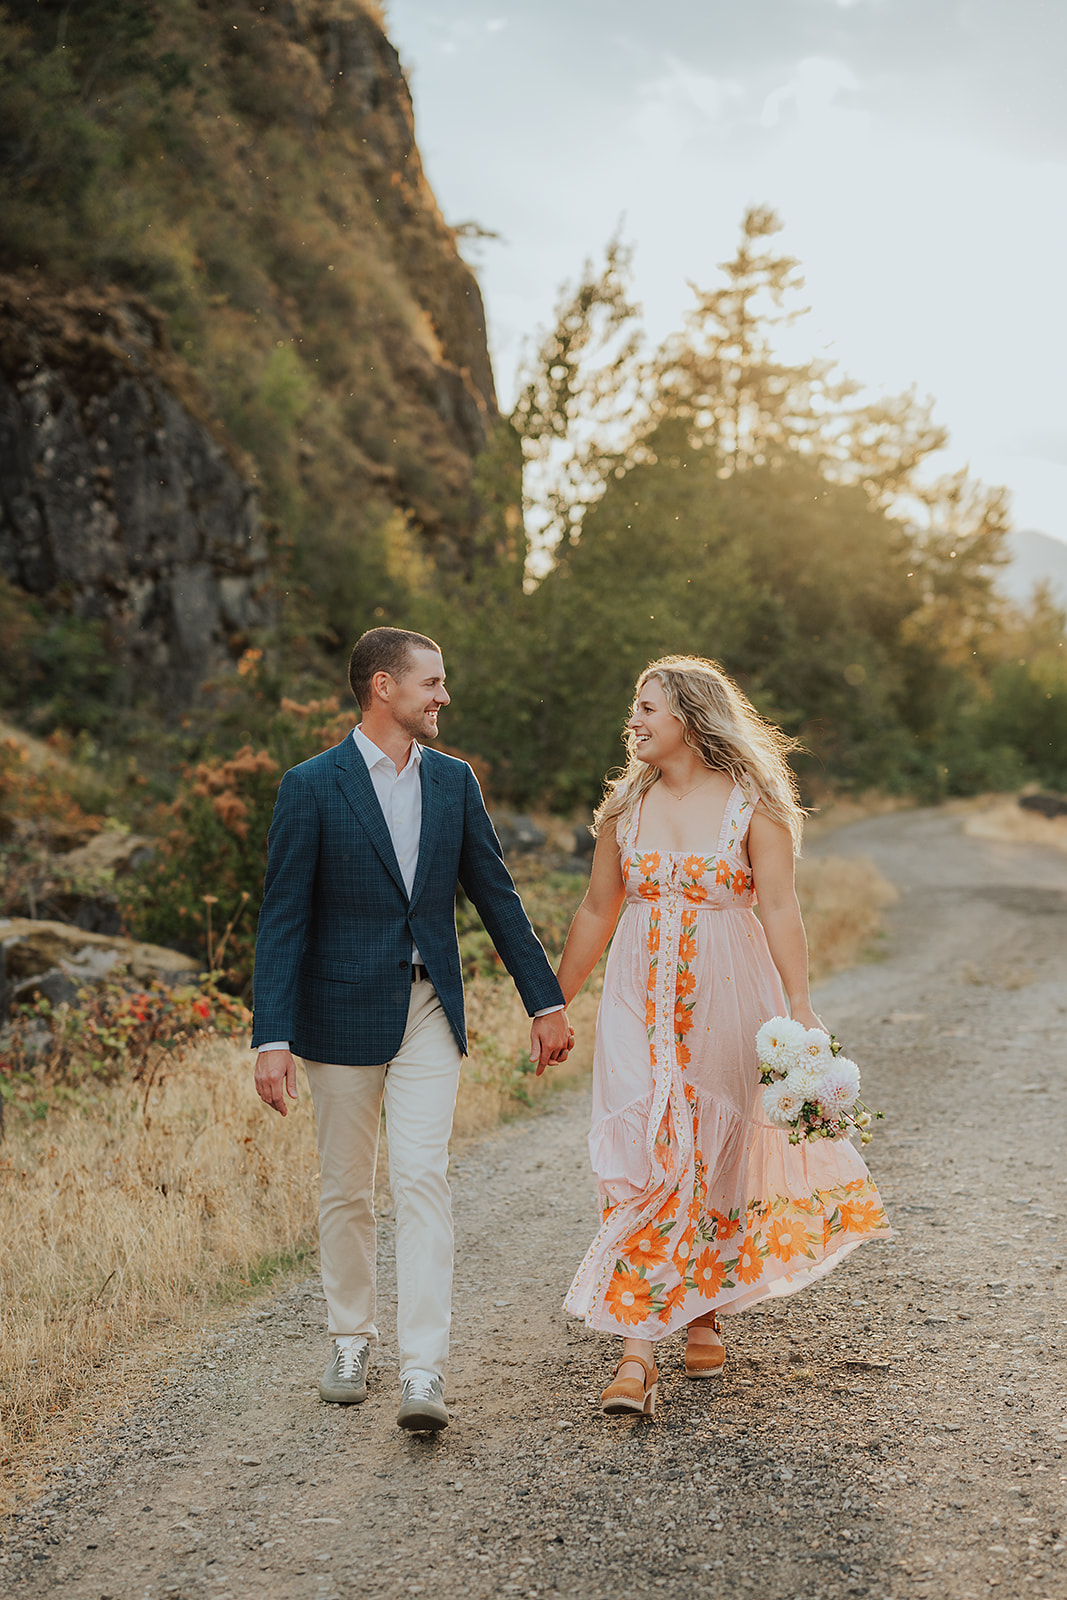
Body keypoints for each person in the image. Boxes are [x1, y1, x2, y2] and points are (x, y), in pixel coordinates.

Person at [252, 627, 572, 1431]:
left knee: (423, 1179)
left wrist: (545, 1001)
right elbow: (282, 919)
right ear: (383, 687)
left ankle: (423, 1371)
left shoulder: (455, 783)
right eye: (430, 683)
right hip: (334, 1016)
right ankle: (350, 1340)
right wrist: (271, 1036)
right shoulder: (311, 786)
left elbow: (496, 898)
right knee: (346, 1189)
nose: (443, 697)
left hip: (430, 1010)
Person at [552, 655, 891, 1416]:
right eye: (633, 708)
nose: (632, 721)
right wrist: (553, 1004)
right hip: (635, 1005)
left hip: (726, 999)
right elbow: (596, 911)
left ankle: (699, 1308)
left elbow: (778, 909)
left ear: (691, 719)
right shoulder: (622, 809)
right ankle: (636, 1356)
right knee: (646, 1153)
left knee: (708, 1154)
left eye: (647, 708)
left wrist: (799, 1005)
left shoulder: (753, 806)